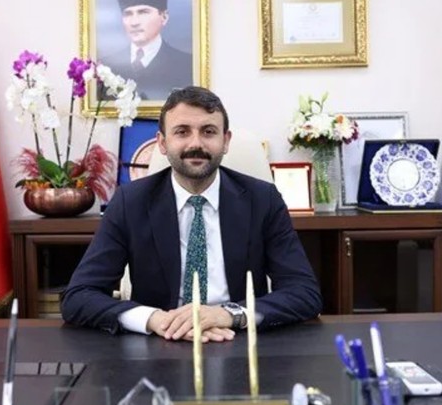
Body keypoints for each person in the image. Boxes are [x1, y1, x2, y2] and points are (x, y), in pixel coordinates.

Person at [61, 86, 322, 342]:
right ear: (162, 143)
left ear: (225, 141)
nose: (196, 143)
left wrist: (229, 314)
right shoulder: (130, 202)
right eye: (182, 132)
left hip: (239, 340)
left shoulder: (263, 199)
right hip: (160, 343)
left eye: (208, 132)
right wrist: (155, 319)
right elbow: (79, 296)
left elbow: (304, 292)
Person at [100, 0, 193, 100]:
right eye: (128, 14)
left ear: (164, 17)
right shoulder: (105, 68)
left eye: (143, 12)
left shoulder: (187, 65)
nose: (134, 22)